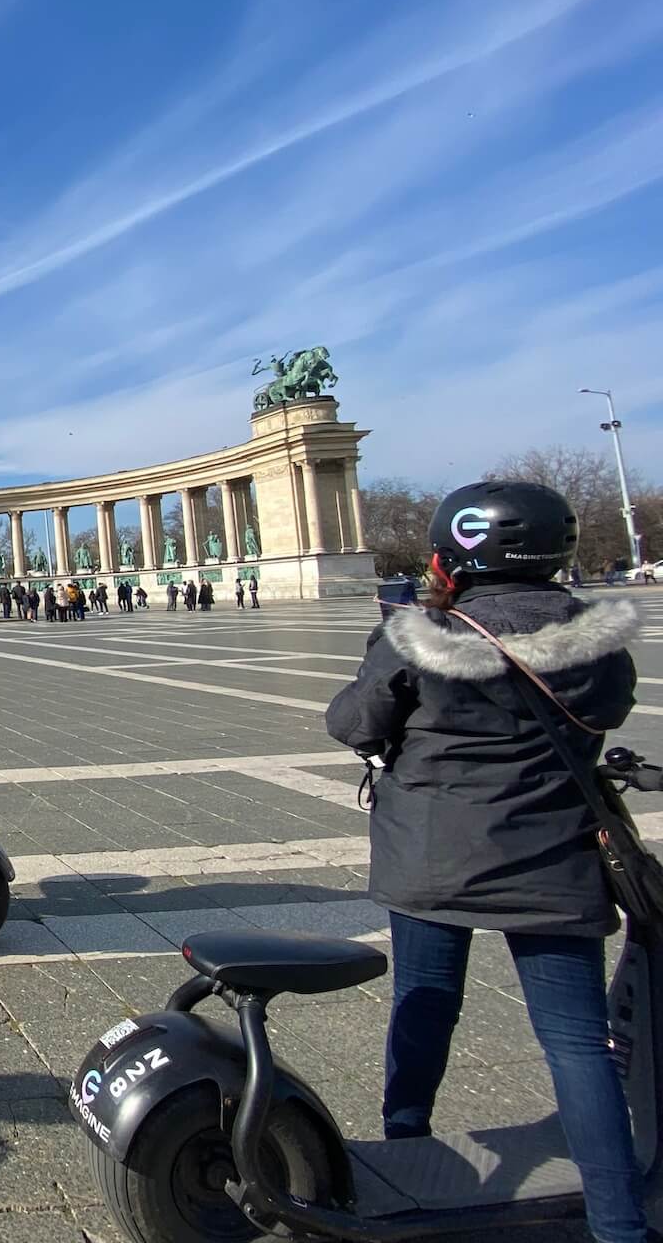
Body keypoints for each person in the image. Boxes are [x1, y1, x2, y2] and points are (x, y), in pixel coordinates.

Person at [325, 481, 650, 1243]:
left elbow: (352, 722)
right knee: (576, 1042)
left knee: (425, 1002)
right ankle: (619, 1224)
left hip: (433, 854)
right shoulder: (597, 639)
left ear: (452, 549)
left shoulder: (417, 634)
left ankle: (408, 1145)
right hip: (553, 858)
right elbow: (609, 712)